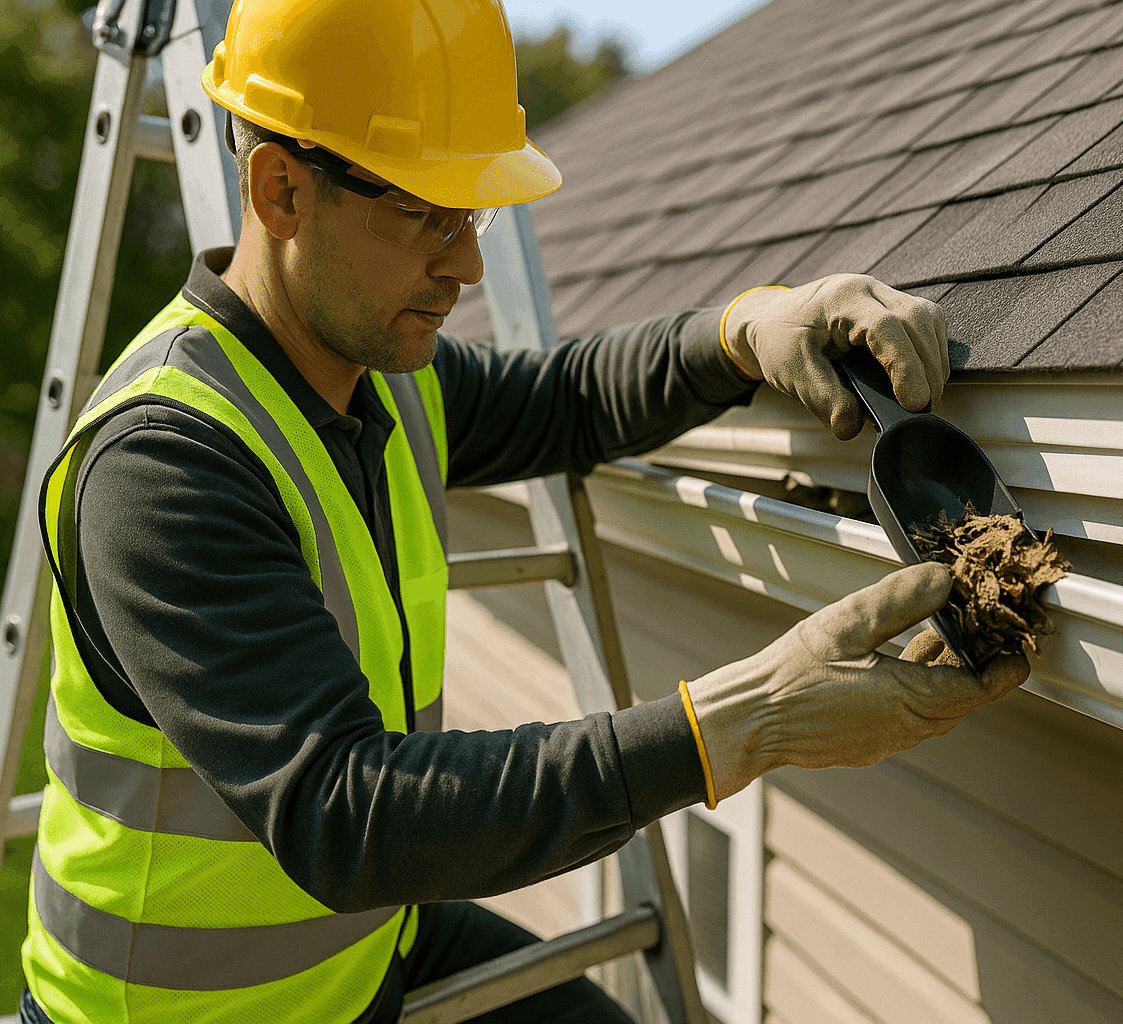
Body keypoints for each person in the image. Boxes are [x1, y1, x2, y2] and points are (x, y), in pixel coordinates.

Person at [20, 1, 1031, 1021]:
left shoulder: (378, 373)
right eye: (423, 212)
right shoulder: (165, 465)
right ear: (281, 188)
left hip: (368, 953)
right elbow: (349, 816)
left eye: (474, 214)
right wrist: (743, 724)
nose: (463, 265)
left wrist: (738, 328)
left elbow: (564, 399)